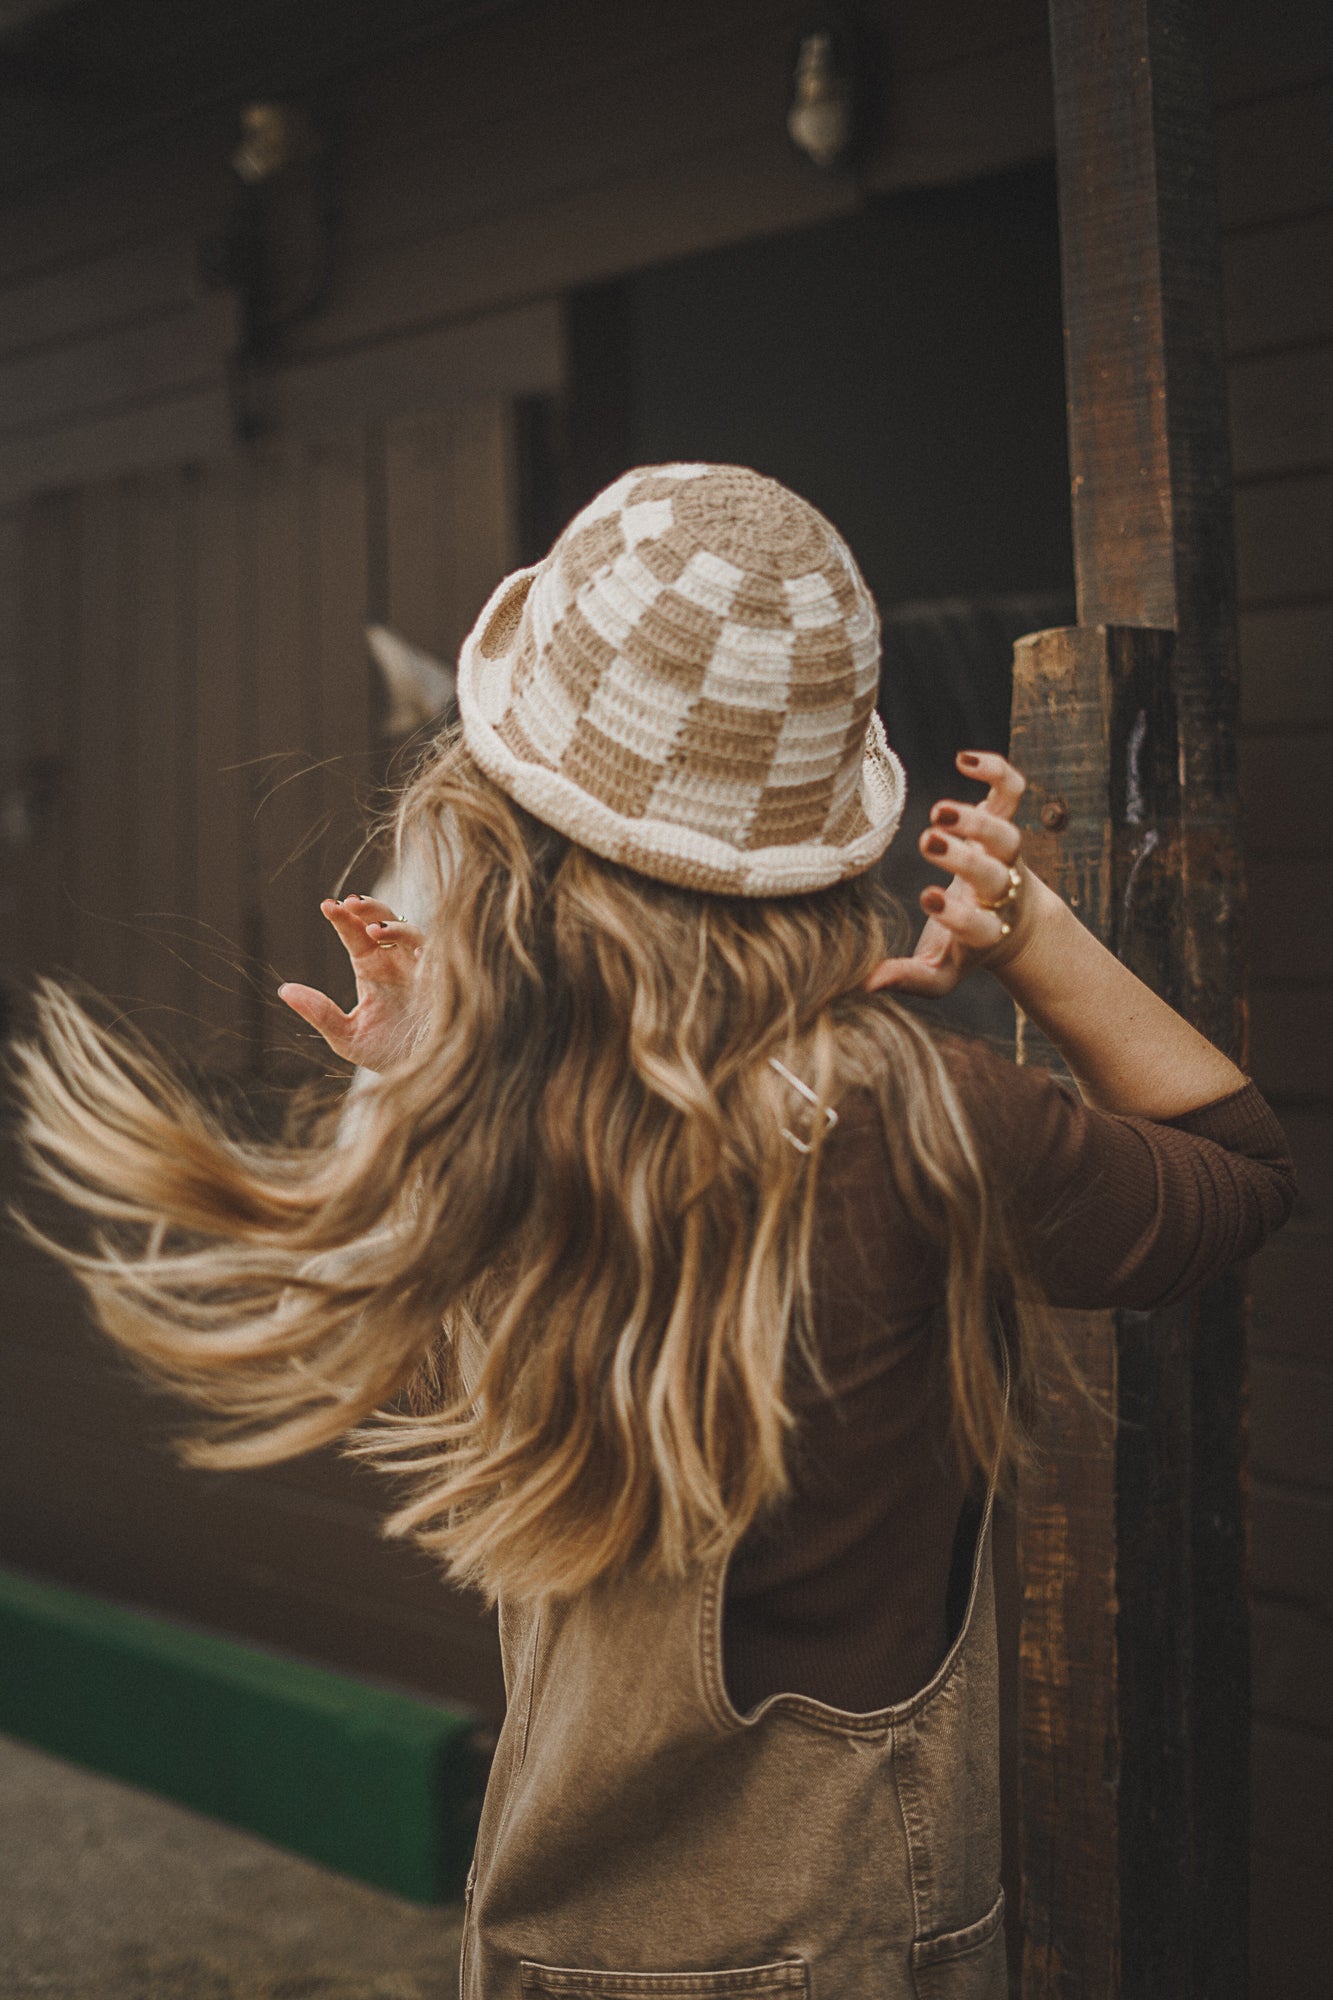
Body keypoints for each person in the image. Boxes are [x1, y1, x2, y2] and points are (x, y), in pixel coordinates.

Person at [15, 465, 1293, 1999]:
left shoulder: (518, 1111)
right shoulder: (930, 1117)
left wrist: (419, 1102)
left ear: (511, 821)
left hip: (555, 1945)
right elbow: (1233, 1170)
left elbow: (461, 1413)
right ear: (824, 844)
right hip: (848, 1954)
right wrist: (1031, 938)